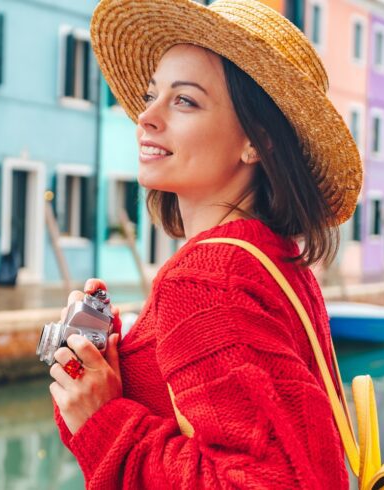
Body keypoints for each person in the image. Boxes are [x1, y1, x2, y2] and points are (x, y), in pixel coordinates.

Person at [47, 0, 364, 488]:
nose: (146, 117)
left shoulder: (206, 279)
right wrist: (107, 376)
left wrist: (105, 421)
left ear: (255, 141)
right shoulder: (272, 261)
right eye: (153, 95)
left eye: (185, 101)